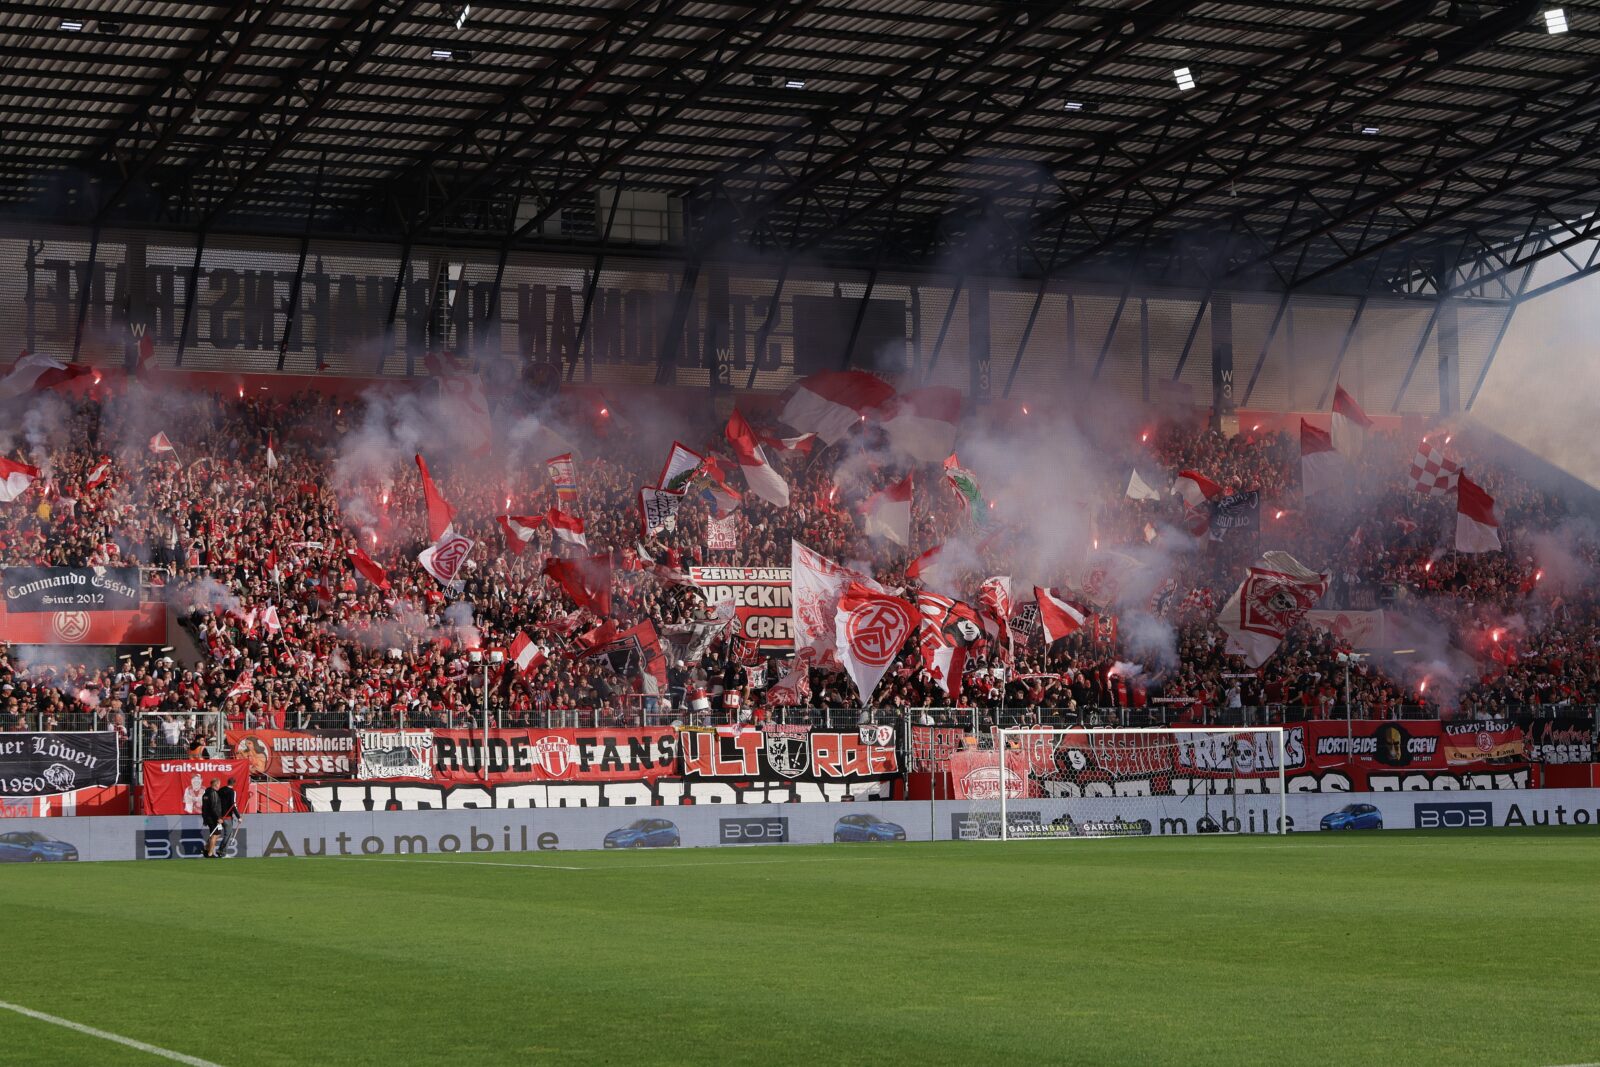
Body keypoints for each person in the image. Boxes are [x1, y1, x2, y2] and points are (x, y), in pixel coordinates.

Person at [215, 779, 241, 858]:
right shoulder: (232, 792)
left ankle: (218, 851)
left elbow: (216, 802)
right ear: (234, 784)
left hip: (219, 817)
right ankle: (222, 852)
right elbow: (233, 805)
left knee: (218, 834)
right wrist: (238, 817)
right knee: (228, 835)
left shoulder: (220, 790)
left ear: (227, 782)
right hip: (227, 817)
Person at [200, 779, 223, 858]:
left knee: (217, 834)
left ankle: (206, 848)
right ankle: (210, 853)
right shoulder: (213, 793)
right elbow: (214, 807)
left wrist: (204, 818)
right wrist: (218, 818)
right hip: (214, 818)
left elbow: (204, 808)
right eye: (219, 784)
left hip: (209, 817)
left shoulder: (205, 794)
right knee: (214, 835)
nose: (219, 786)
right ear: (216, 784)